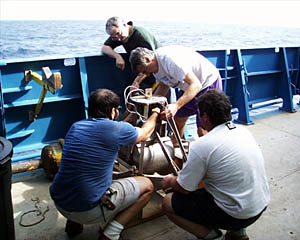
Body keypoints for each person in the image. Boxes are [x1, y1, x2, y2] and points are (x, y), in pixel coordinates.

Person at [50, 88, 161, 240]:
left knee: (79, 173)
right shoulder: (118, 130)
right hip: (86, 210)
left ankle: (74, 225)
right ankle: (111, 233)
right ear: (113, 111)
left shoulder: (76, 126)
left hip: (60, 201)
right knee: (148, 186)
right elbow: (145, 133)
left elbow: (109, 131)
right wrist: (155, 112)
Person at [161, 89, 270, 240]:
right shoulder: (243, 131)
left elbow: (184, 188)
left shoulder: (203, 146)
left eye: (199, 113)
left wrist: (170, 181)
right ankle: (237, 232)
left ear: (205, 117)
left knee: (168, 202)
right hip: (259, 206)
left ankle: (213, 237)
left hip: (236, 215)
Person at [129, 45, 223, 138]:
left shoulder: (171, 62)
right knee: (178, 120)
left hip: (206, 83)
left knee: (203, 130)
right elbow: (164, 85)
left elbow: (196, 85)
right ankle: (176, 149)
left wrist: (176, 106)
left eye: (145, 71)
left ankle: (207, 151)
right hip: (188, 86)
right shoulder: (155, 66)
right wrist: (153, 104)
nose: (148, 75)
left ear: (147, 60)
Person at [102, 16, 161, 90]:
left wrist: (135, 83)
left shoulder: (141, 36)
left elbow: (150, 63)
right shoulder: (117, 35)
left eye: (118, 34)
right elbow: (105, 48)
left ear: (124, 25)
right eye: (114, 37)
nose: (118, 39)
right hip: (143, 76)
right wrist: (117, 56)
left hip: (158, 76)